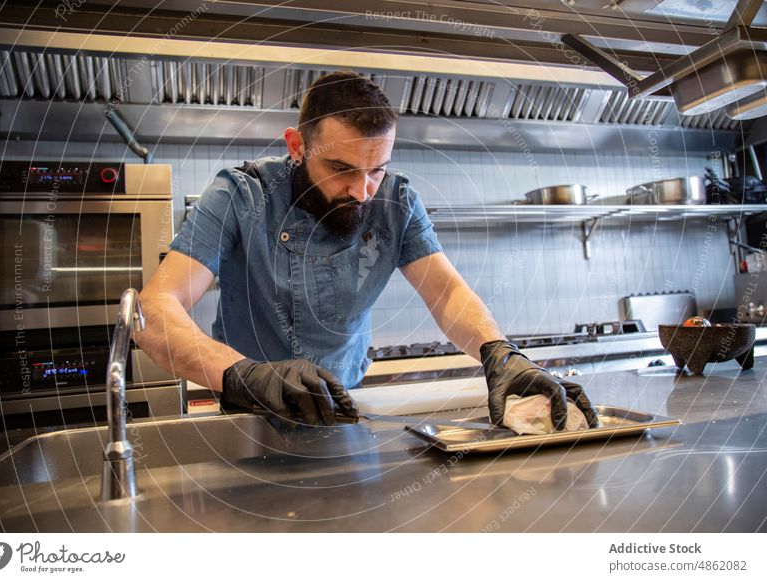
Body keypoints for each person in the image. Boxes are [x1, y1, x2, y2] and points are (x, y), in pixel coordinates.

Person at [134, 71, 599, 430]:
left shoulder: (397, 202)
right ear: (297, 146)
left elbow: (446, 293)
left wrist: (499, 353)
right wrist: (246, 375)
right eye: (341, 169)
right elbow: (154, 312)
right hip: (246, 416)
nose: (361, 190)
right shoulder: (241, 195)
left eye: (376, 169)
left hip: (345, 412)